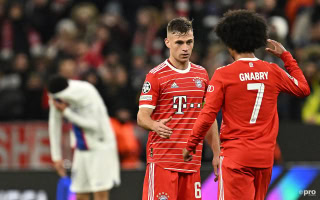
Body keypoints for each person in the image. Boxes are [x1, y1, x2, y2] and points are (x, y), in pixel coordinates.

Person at [183, 10, 310, 200]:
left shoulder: (223, 74)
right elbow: (303, 88)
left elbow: (207, 114)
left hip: (236, 159)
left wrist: (191, 144)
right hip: (264, 160)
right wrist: (286, 57)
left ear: (229, 43)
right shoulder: (272, 71)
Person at [137, 17, 220, 200]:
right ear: (167, 42)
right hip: (162, 163)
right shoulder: (156, 76)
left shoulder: (202, 74)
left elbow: (208, 117)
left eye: (189, 42)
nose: (185, 48)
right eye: (179, 43)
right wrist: (155, 125)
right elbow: (142, 116)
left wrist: (217, 153)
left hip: (191, 165)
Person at [47, 75, 120, 200]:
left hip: (100, 147)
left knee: (100, 194)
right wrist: (56, 157)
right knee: (80, 194)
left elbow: (94, 125)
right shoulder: (56, 96)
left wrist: (67, 112)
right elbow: (54, 123)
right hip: (81, 150)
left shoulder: (86, 92)